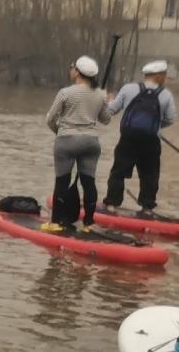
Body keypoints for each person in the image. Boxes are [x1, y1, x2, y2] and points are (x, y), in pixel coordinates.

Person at [44, 55, 111, 231]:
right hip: (91, 142)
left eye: (72, 68)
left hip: (66, 140)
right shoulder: (100, 94)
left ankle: (56, 222)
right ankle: (88, 223)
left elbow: (50, 118)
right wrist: (105, 100)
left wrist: (60, 133)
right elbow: (106, 119)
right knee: (89, 182)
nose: (70, 70)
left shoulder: (65, 93)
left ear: (78, 72)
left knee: (62, 181)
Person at [103, 59, 176, 216]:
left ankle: (111, 205)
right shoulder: (166, 95)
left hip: (128, 138)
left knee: (118, 171)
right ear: (158, 76)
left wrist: (107, 100)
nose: (165, 78)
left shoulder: (128, 88)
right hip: (151, 141)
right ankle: (147, 208)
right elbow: (170, 119)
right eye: (164, 75)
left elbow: (111, 110)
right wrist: (155, 127)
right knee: (150, 174)